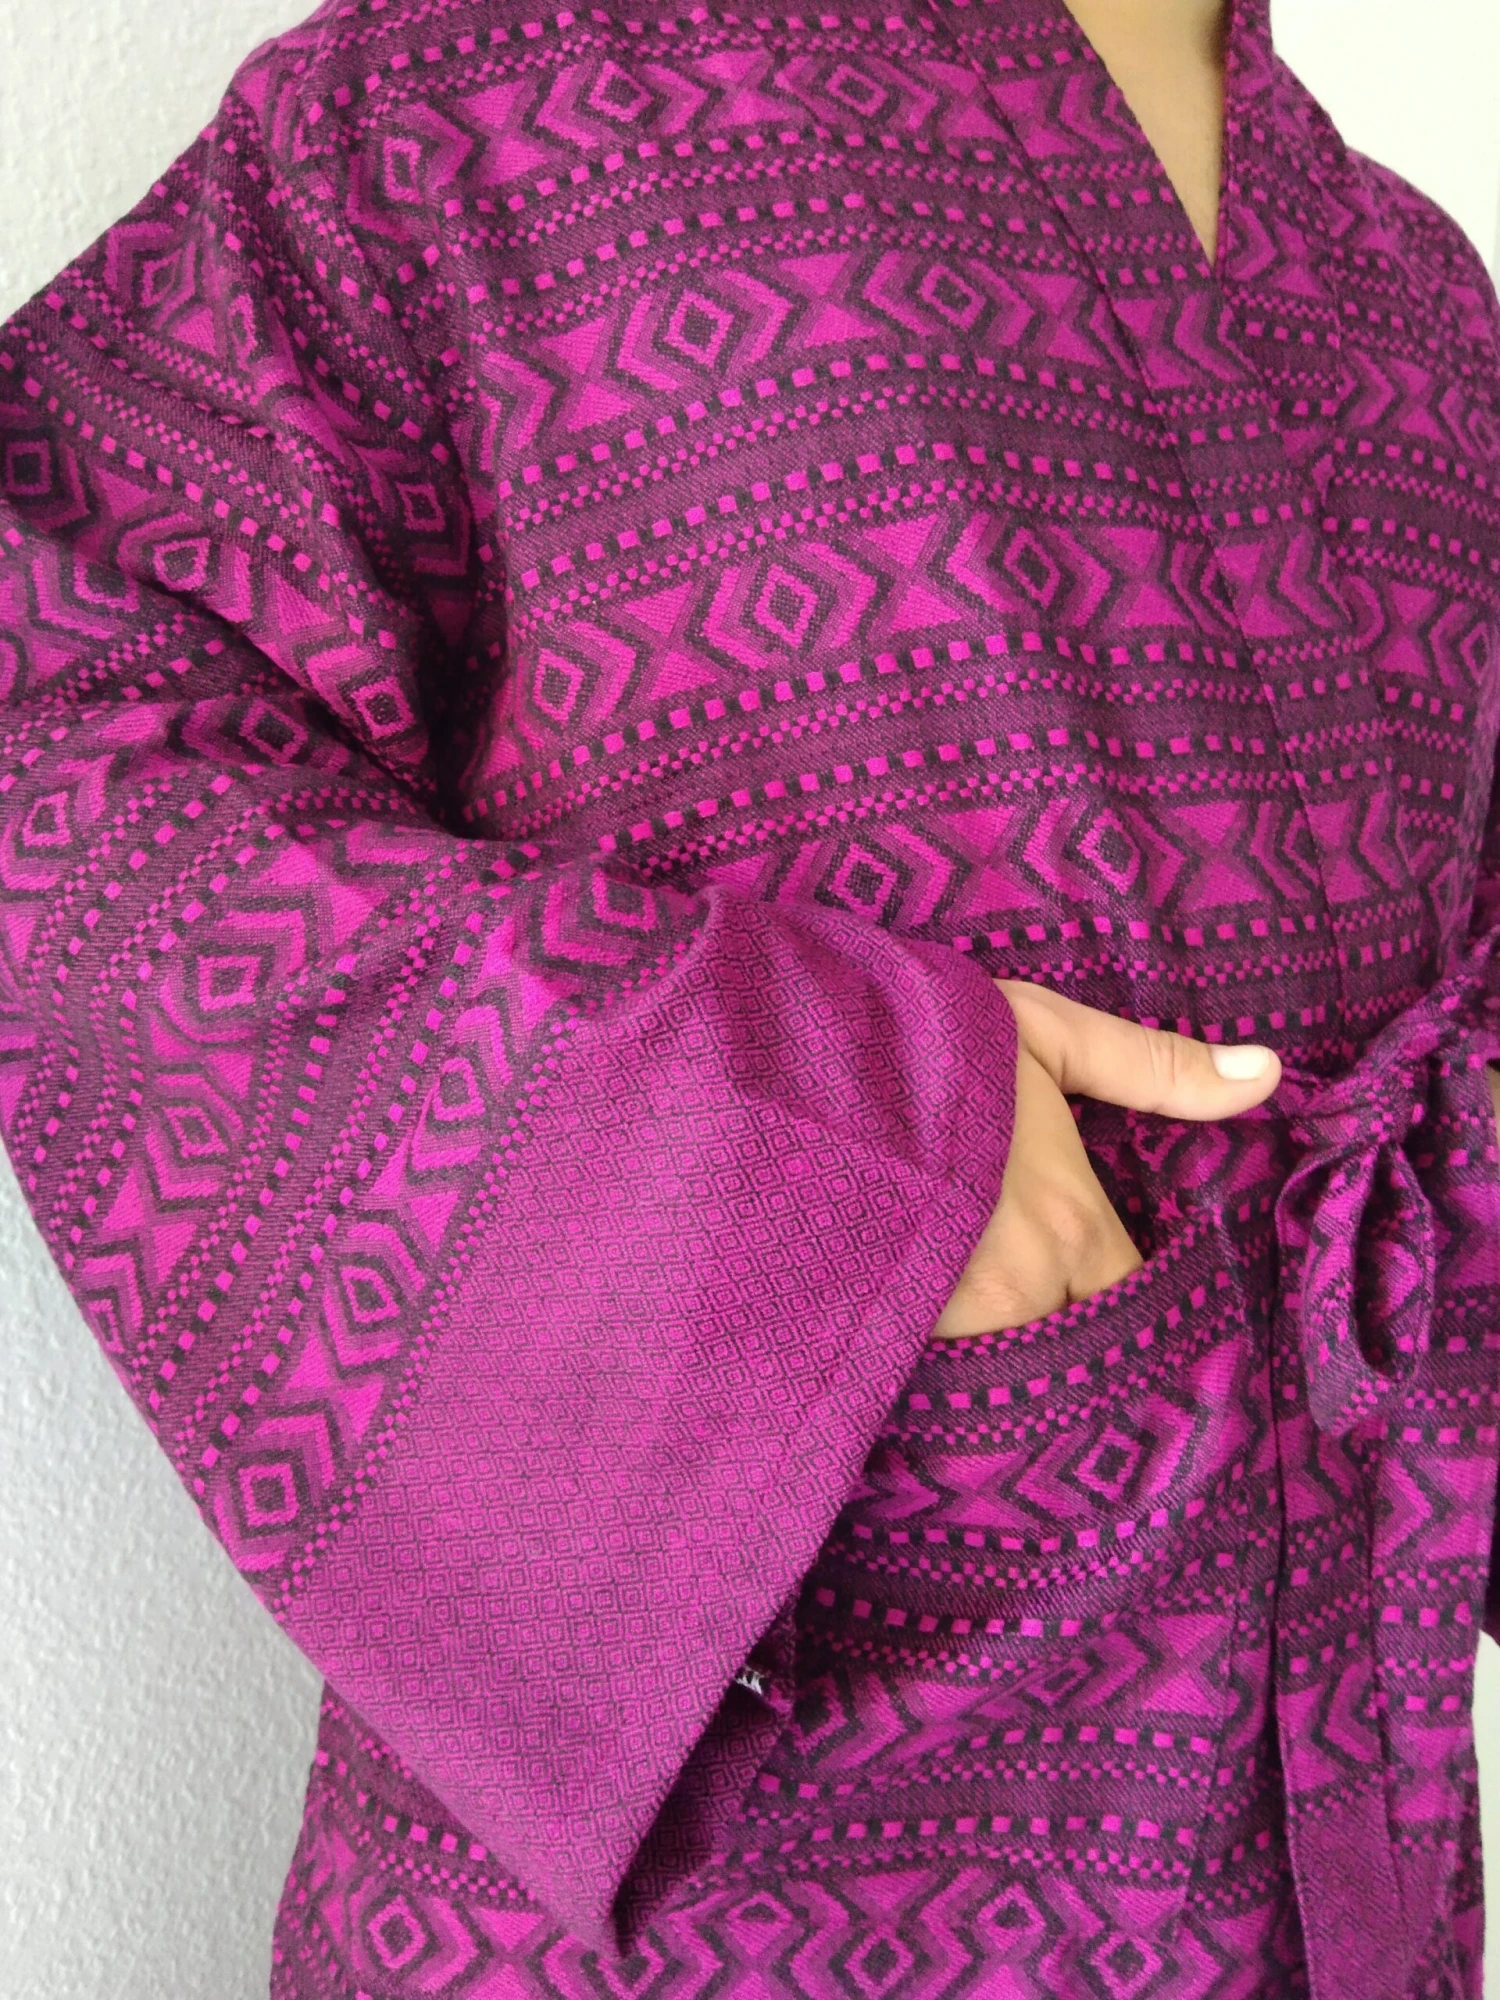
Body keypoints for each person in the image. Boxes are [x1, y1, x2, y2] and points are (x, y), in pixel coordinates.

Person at [1, 0, 1498, 1992]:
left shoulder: (1413, 288)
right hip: (734, 1849)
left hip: (1324, 1822)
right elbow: (50, 705)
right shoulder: (479, 94)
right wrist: (804, 1130)